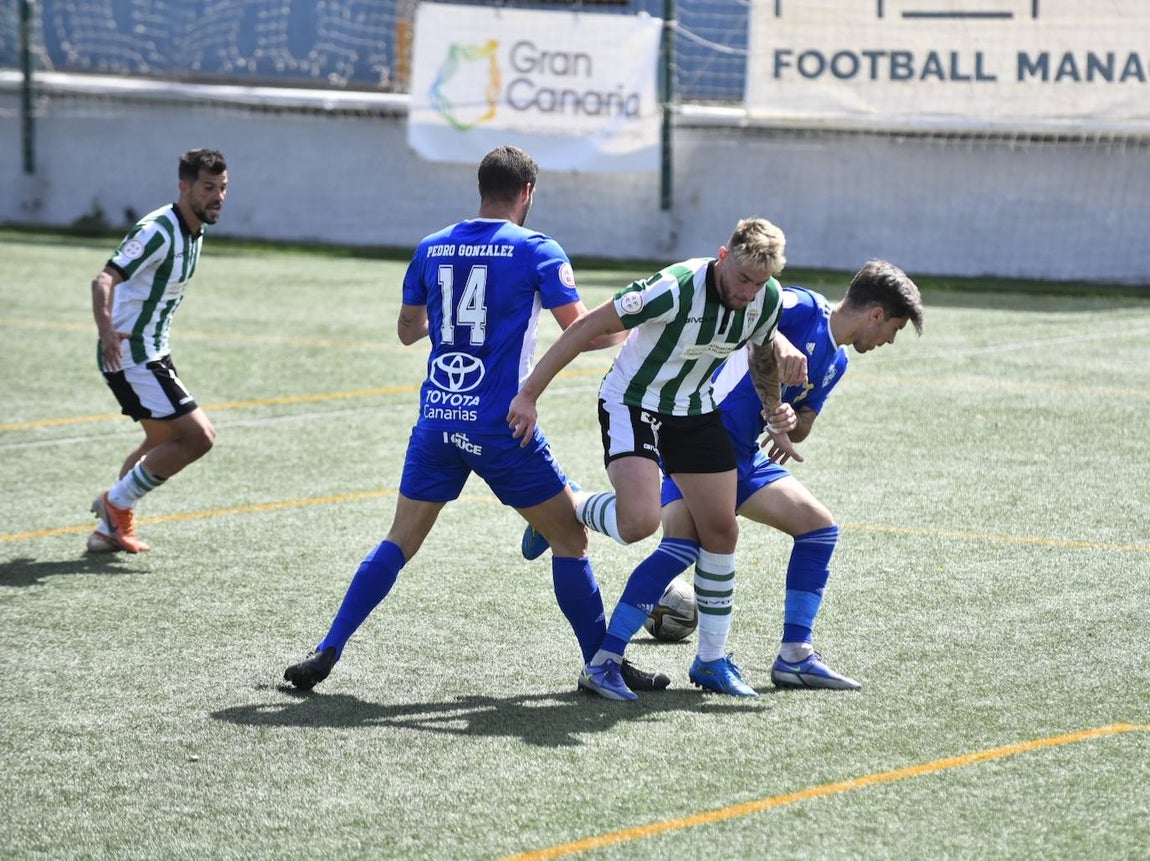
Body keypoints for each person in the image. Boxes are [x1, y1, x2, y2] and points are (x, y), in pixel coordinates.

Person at [283, 145, 663, 693]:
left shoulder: (432, 247)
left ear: (480, 188)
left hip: (437, 418)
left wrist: (456, 325)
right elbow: (587, 333)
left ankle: (329, 648)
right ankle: (600, 665)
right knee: (572, 540)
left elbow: (408, 330)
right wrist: (636, 320)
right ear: (527, 193)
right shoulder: (537, 249)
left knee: (398, 541)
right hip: (500, 425)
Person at [507, 217, 802, 701]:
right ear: (723, 258)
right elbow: (586, 327)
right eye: (744, 278)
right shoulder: (675, 287)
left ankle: (710, 661)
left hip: (694, 411)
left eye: (761, 282)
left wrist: (774, 413)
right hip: (632, 403)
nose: (750, 292)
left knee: (722, 530)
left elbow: (763, 354)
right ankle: (567, 509)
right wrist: (529, 395)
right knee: (639, 523)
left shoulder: (764, 299)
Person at [659, 260, 925, 690]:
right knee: (673, 545)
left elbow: (802, 424)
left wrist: (786, 420)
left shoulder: (837, 364)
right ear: (876, 314)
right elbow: (748, 307)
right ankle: (577, 512)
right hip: (702, 440)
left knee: (819, 528)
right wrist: (777, 341)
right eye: (893, 329)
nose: (889, 340)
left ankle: (795, 656)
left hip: (744, 456)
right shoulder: (803, 307)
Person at [87, 148, 229, 554]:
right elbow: (104, 279)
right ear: (184, 187)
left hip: (151, 351)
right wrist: (107, 331)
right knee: (199, 437)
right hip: (132, 353)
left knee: (159, 442)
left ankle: (109, 527)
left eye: (222, 188)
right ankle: (116, 505)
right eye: (208, 188)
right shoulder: (158, 230)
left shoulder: (194, 229)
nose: (217, 196)